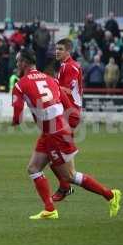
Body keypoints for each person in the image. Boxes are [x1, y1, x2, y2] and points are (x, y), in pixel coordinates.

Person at [12, 49, 121, 220]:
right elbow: (69, 107)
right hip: (55, 131)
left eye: (18, 61)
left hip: (54, 134)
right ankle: (49, 209)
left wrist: (15, 121)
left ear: (25, 63)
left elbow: (17, 118)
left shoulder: (20, 85)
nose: (16, 64)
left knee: (70, 176)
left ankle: (110, 195)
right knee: (33, 168)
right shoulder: (51, 80)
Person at [52, 38, 83, 201]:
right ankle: (65, 186)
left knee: (56, 154)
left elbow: (67, 91)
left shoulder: (71, 67)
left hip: (70, 113)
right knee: (54, 154)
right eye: (56, 48)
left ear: (68, 51)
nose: (57, 51)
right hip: (66, 113)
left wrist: (51, 84)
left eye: (61, 49)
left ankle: (67, 184)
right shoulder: (64, 66)